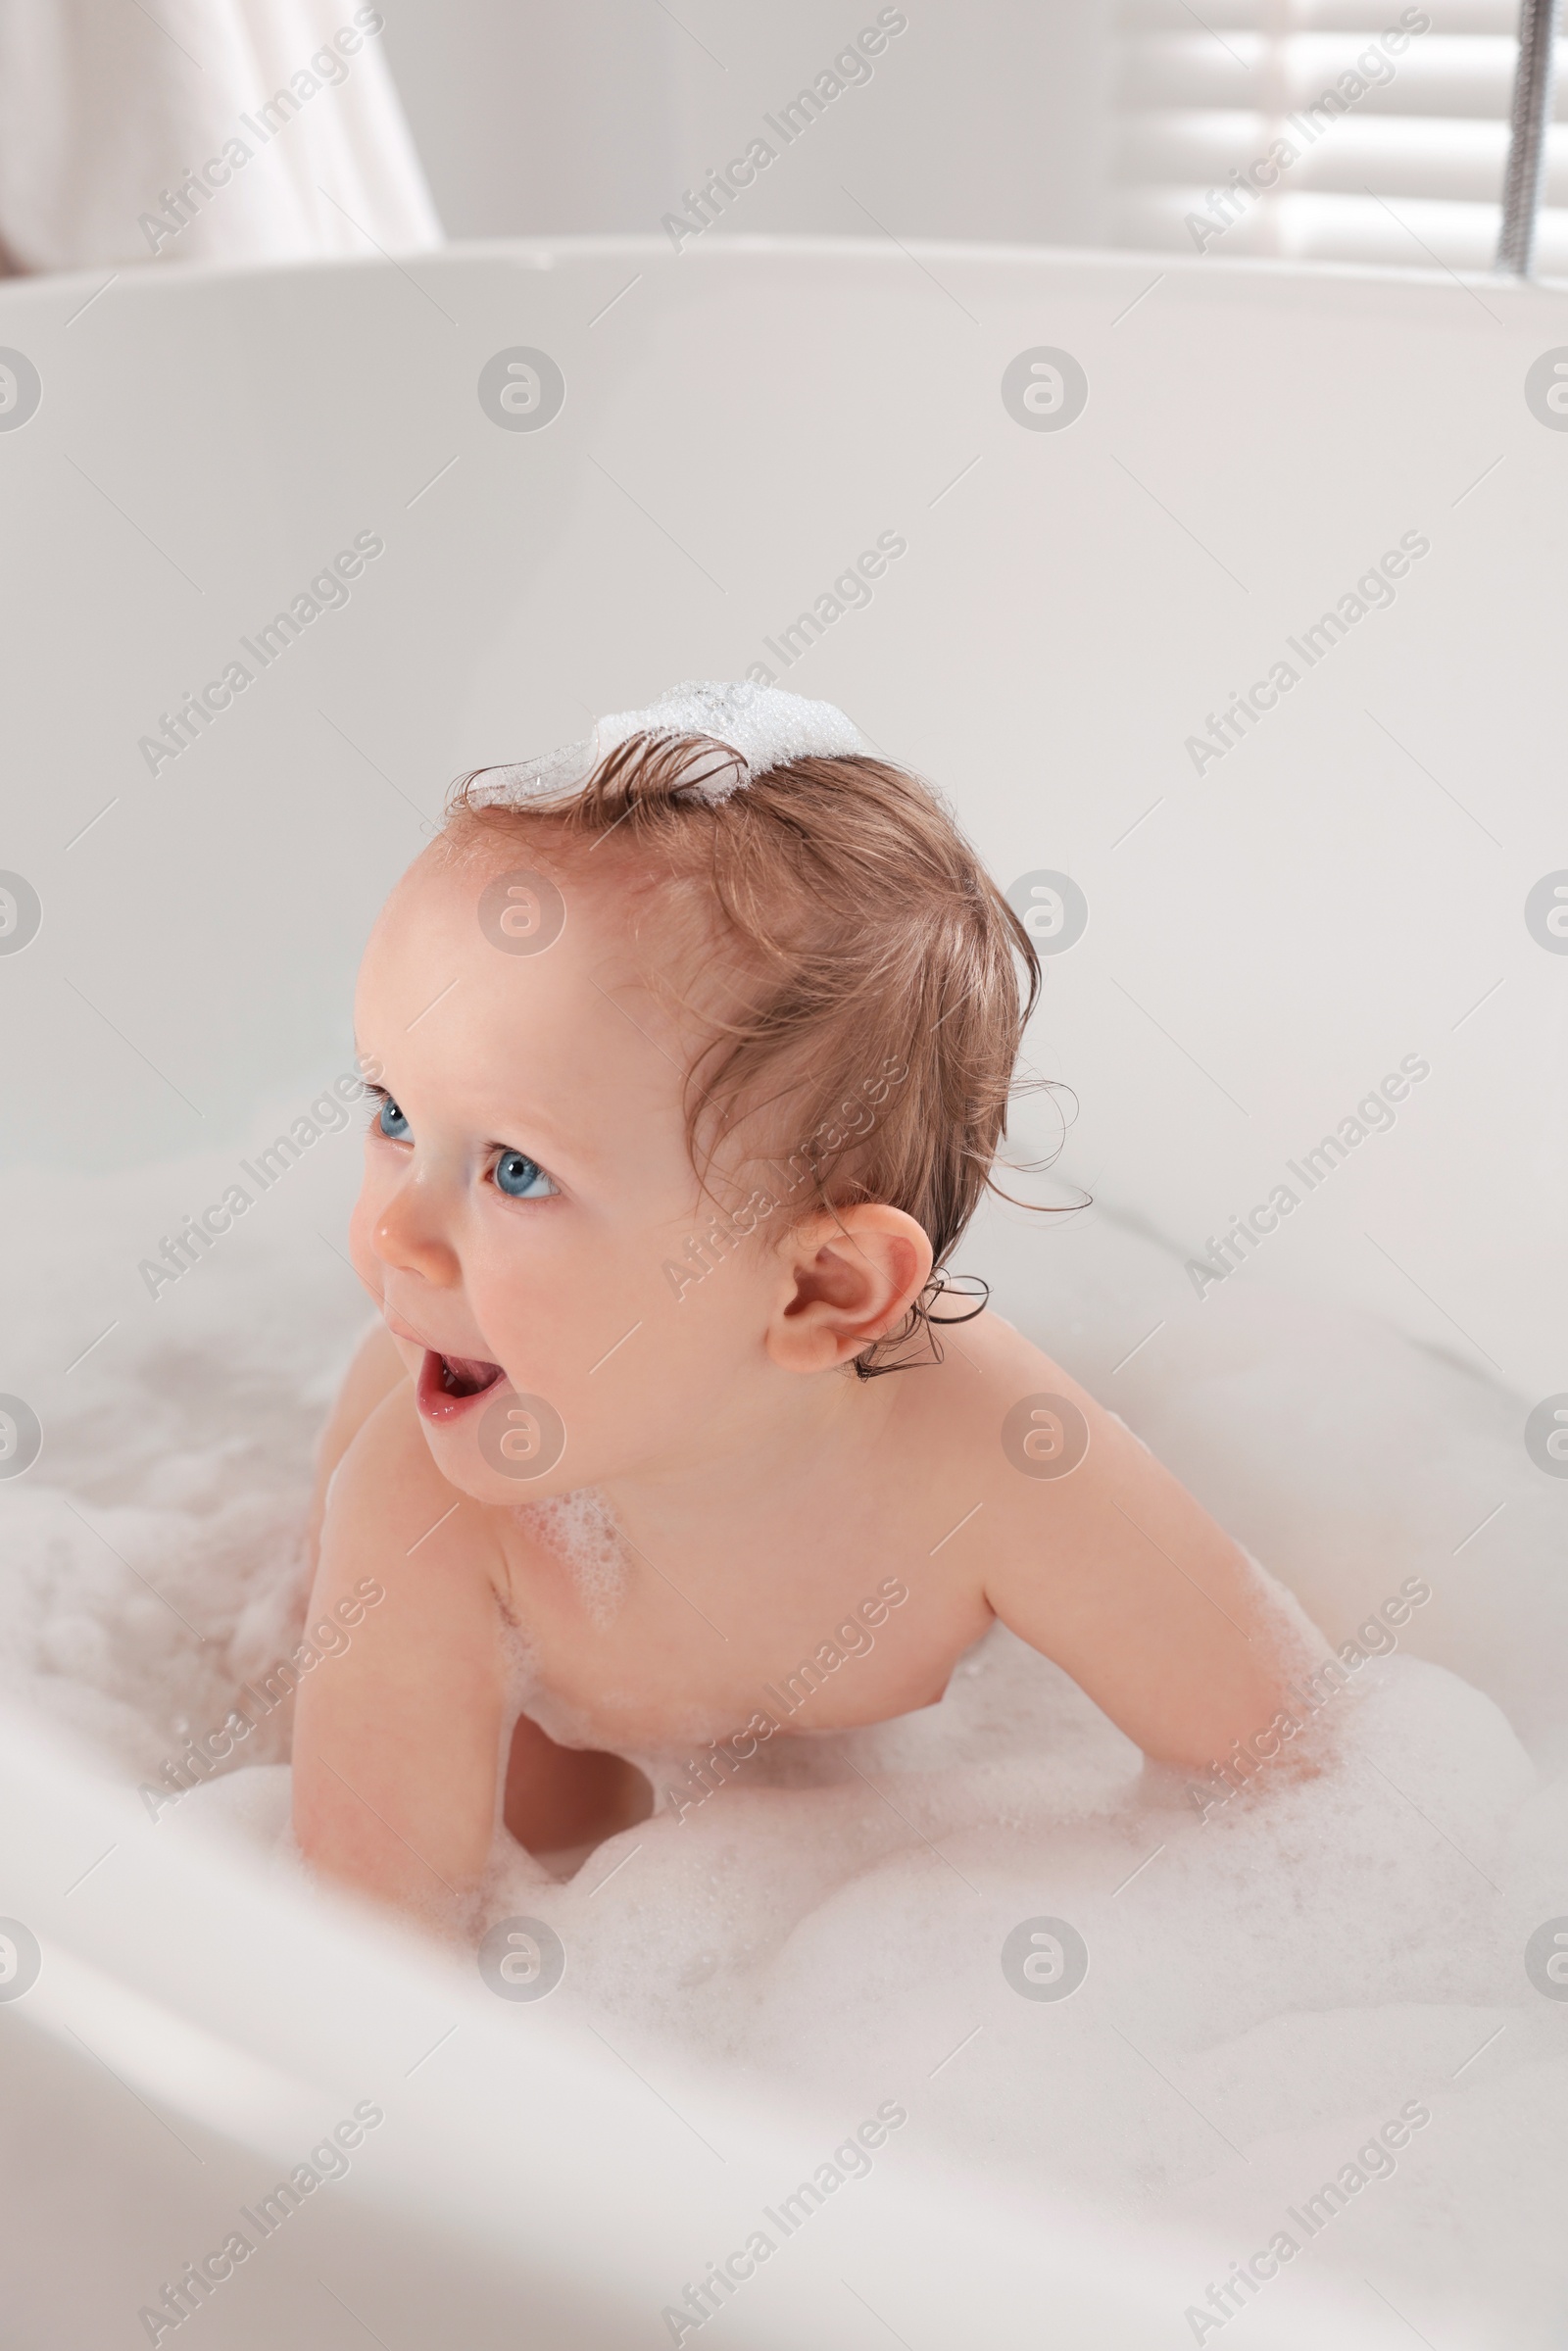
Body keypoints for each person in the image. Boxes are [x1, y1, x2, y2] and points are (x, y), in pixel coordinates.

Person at [294, 682, 1307, 1933]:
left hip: (809, 1840)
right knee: (552, 1825)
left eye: (514, 1169)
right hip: (539, 1727)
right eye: (393, 1114)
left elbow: (1285, 1763)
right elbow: (370, 1955)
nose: (394, 1232)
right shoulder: (424, 1499)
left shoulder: (992, 1452)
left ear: (822, 1289)